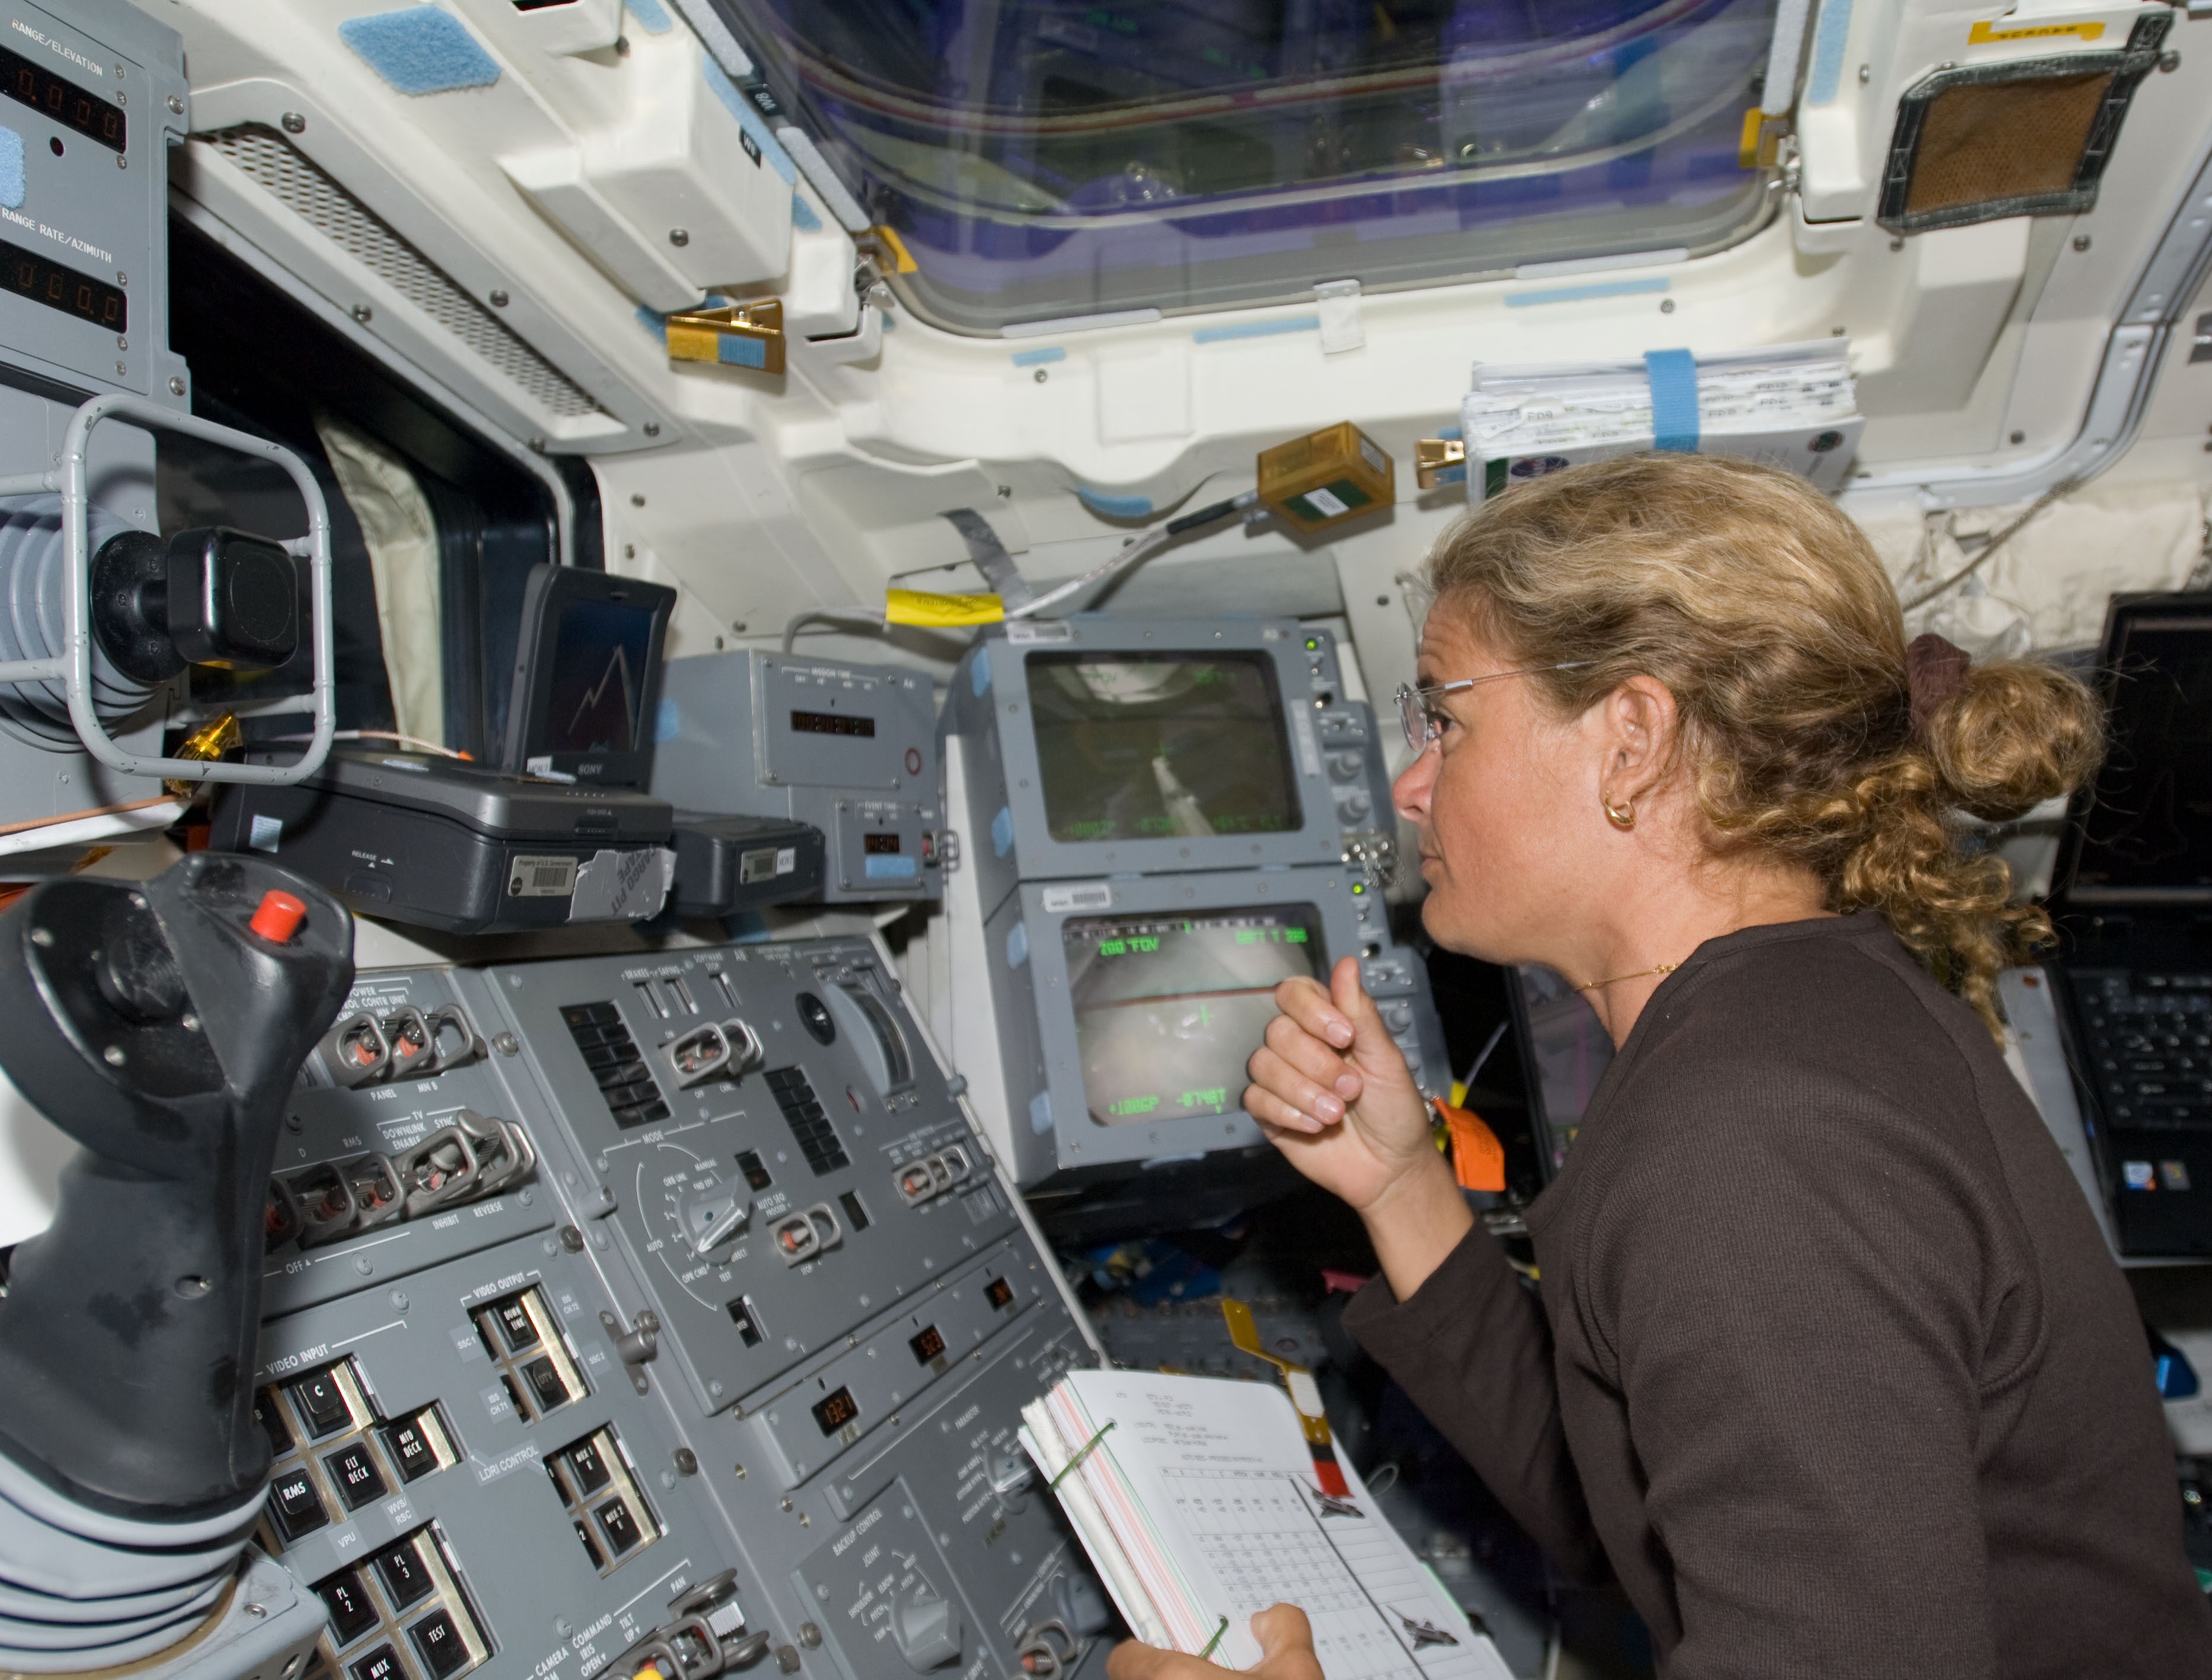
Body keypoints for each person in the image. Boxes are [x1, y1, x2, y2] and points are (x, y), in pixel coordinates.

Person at [1113, 454, 2212, 1680]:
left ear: (1631, 738)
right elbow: (1627, 1504)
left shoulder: (1750, 1139)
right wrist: (1398, 1186)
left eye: (1445, 716)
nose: (1411, 785)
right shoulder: (1808, 1008)